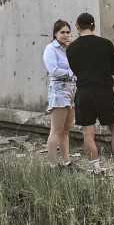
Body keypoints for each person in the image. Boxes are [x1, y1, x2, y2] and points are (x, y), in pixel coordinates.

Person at [66, 11, 114, 174]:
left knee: (88, 133)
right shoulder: (106, 44)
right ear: (93, 25)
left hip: (84, 92)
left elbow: (74, 70)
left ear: (77, 26)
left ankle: (97, 169)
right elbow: (113, 69)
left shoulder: (71, 48)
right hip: (104, 91)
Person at [43, 19, 76, 166]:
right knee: (56, 130)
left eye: (68, 32)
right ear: (55, 34)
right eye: (62, 32)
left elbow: (78, 65)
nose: (65, 35)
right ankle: (53, 164)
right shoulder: (51, 49)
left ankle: (66, 161)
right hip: (59, 90)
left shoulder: (70, 49)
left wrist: (72, 50)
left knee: (66, 129)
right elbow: (54, 70)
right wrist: (72, 72)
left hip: (72, 90)